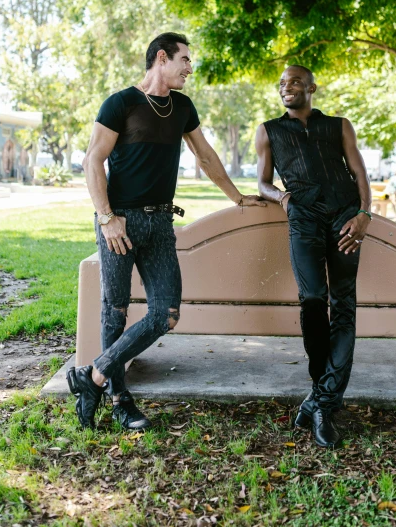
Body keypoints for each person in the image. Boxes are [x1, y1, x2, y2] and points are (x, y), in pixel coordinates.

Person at [67, 32, 265, 430]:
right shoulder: (121, 102)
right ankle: (120, 399)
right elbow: (93, 161)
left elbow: (205, 155)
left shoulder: (182, 108)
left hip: (159, 223)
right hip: (119, 221)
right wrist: (106, 217)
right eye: (185, 60)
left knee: (166, 313)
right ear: (162, 57)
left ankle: (92, 377)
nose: (190, 69)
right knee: (115, 311)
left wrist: (237, 197)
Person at [255, 65, 372, 448]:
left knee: (343, 305)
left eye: (294, 82)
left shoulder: (339, 126)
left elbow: (359, 173)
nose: (286, 88)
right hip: (302, 217)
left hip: (343, 219)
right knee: (312, 301)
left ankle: (320, 403)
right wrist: (282, 197)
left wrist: (363, 215)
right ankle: (324, 395)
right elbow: (262, 182)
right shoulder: (269, 131)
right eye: (282, 84)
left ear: (311, 88)